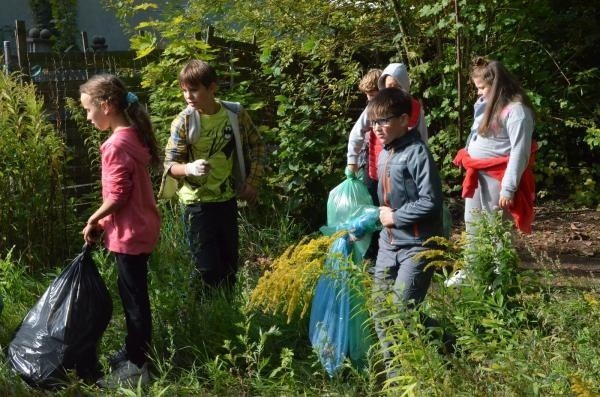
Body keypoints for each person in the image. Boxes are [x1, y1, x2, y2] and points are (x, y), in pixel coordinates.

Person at [79, 74, 160, 387]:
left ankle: (138, 367)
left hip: (129, 233)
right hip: (140, 226)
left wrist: (92, 219)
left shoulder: (115, 144)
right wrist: (103, 221)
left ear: (107, 105)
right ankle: (132, 350)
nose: (87, 117)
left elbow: (117, 195)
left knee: (134, 301)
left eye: (89, 110)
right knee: (134, 295)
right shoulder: (132, 135)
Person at [367, 87, 448, 377]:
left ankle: (446, 343)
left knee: (402, 313)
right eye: (374, 122)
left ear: (405, 119)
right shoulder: (385, 153)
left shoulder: (417, 153)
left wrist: (395, 216)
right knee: (380, 312)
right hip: (388, 246)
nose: (377, 128)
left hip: (417, 246)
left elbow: (431, 202)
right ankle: (395, 379)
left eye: (384, 121)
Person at [164, 59, 265, 290]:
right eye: (184, 91)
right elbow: (169, 165)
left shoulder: (234, 113)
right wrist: (189, 168)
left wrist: (252, 182)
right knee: (206, 270)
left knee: (229, 267)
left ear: (212, 88)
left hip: (227, 199)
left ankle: (228, 319)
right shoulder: (184, 121)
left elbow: (258, 146)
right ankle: (205, 318)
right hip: (195, 204)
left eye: (194, 89)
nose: (189, 96)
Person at [445, 57, 536, 287]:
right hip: (478, 176)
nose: (479, 93)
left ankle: (501, 275)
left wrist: (508, 187)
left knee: (497, 225)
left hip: (498, 177)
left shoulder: (517, 111)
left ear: (497, 85)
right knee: (473, 221)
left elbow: (520, 152)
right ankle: (473, 268)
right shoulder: (487, 106)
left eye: (482, 88)